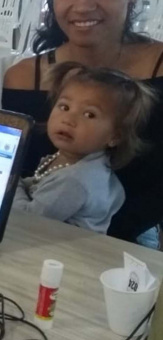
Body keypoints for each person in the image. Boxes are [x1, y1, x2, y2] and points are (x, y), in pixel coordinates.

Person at [2, 0, 163, 245]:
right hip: (39, 236)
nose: (83, 4)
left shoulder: (158, 67)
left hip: (126, 243)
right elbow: (21, 173)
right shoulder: (24, 77)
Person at [13, 62, 155, 233]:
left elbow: (29, 219)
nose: (69, 119)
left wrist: (10, 181)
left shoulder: (74, 180)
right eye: (64, 107)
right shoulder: (75, 160)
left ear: (114, 136)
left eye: (89, 114)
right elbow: (38, 184)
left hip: (60, 251)